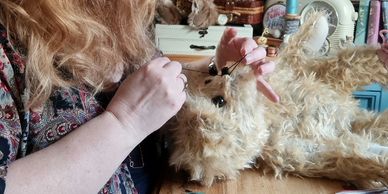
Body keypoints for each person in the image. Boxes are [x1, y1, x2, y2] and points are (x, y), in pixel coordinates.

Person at [0, 0, 278, 193]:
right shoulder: (7, 49)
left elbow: (156, 94)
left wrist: (218, 70)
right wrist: (125, 123)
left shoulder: (120, 15)